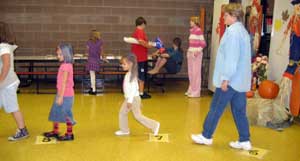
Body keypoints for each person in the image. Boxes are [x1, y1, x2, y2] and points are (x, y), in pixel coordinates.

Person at [191, 3, 253, 151]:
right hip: (240, 81)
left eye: (225, 15)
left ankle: (206, 136)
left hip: (230, 80)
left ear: (233, 16)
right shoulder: (243, 31)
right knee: (239, 111)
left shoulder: (232, 32)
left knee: (216, 108)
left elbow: (232, 58)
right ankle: (245, 140)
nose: (223, 17)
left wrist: (226, 78)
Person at [115, 53, 160, 136]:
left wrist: (130, 101)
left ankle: (154, 125)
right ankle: (125, 130)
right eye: (122, 64)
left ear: (130, 64)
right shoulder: (129, 74)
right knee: (122, 113)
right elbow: (135, 88)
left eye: (124, 64)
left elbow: (133, 90)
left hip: (132, 99)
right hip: (131, 98)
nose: (122, 66)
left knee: (138, 116)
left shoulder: (131, 75)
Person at [0, 21, 29, 141]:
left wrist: (0, 80)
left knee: (12, 107)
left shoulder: (3, 47)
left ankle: (23, 130)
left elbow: (6, 65)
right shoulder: (4, 46)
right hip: (5, 83)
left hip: (7, 84)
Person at [43, 43, 76, 141]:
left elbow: (64, 82)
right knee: (55, 112)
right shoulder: (65, 65)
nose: (58, 56)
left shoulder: (66, 66)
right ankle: (55, 131)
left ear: (66, 54)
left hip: (66, 95)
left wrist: (61, 97)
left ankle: (69, 134)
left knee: (66, 114)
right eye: (57, 54)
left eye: (60, 54)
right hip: (61, 93)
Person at [131, 17, 153, 99]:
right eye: (144, 25)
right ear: (142, 24)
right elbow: (141, 41)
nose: (145, 27)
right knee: (141, 75)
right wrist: (148, 45)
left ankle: (139, 91)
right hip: (140, 58)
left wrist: (148, 44)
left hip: (139, 57)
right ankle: (140, 93)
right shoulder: (139, 31)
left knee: (139, 75)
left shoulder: (137, 31)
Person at [185, 16, 207, 98]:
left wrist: (197, 52)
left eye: (191, 21)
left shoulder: (198, 30)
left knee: (196, 73)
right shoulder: (191, 31)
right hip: (190, 52)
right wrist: (189, 52)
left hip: (196, 54)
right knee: (190, 72)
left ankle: (196, 92)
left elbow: (203, 44)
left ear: (195, 22)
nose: (190, 22)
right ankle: (191, 89)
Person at [86, 30, 103, 95]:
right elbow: (101, 51)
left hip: (90, 60)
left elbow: (87, 52)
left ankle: (94, 90)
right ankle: (92, 88)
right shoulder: (100, 42)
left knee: (92, 75)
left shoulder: (88, 42)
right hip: (97, 60)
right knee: (94, 75)